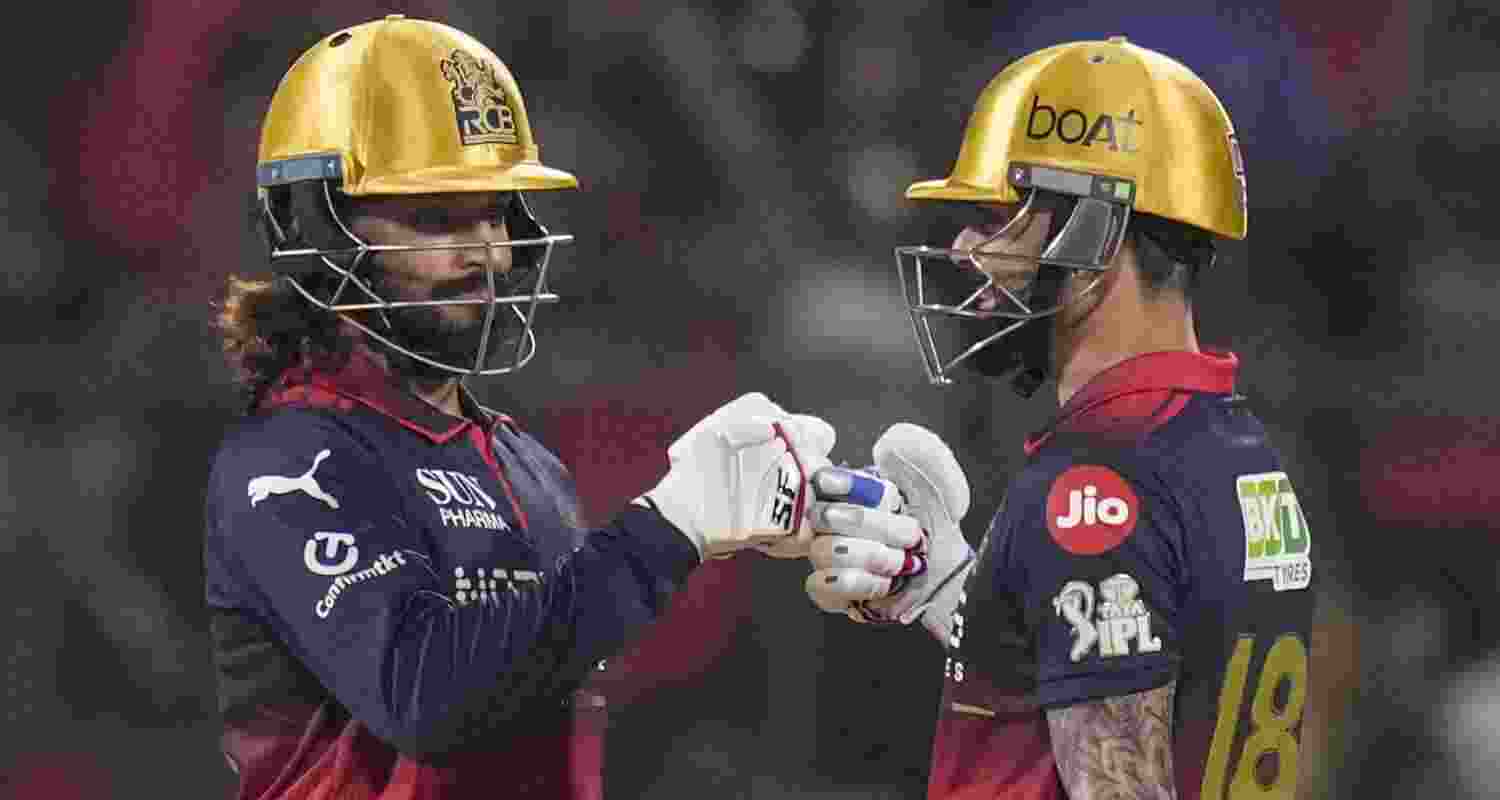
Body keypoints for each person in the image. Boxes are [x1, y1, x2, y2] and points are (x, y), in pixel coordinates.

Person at [205, 15, 834, 800]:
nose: (486, 253)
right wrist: (669, 528)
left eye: (495, 213)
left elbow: (540, 704)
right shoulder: (291, 457)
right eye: (436, 218)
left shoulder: (524, 463)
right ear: (317, 230)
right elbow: (423, 694)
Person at [803, 37, 1318, 799]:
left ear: (1095, 231)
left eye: (995, 216)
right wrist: (953, 591)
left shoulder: (1094, 486)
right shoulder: (1233, 448)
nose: (964, 248)